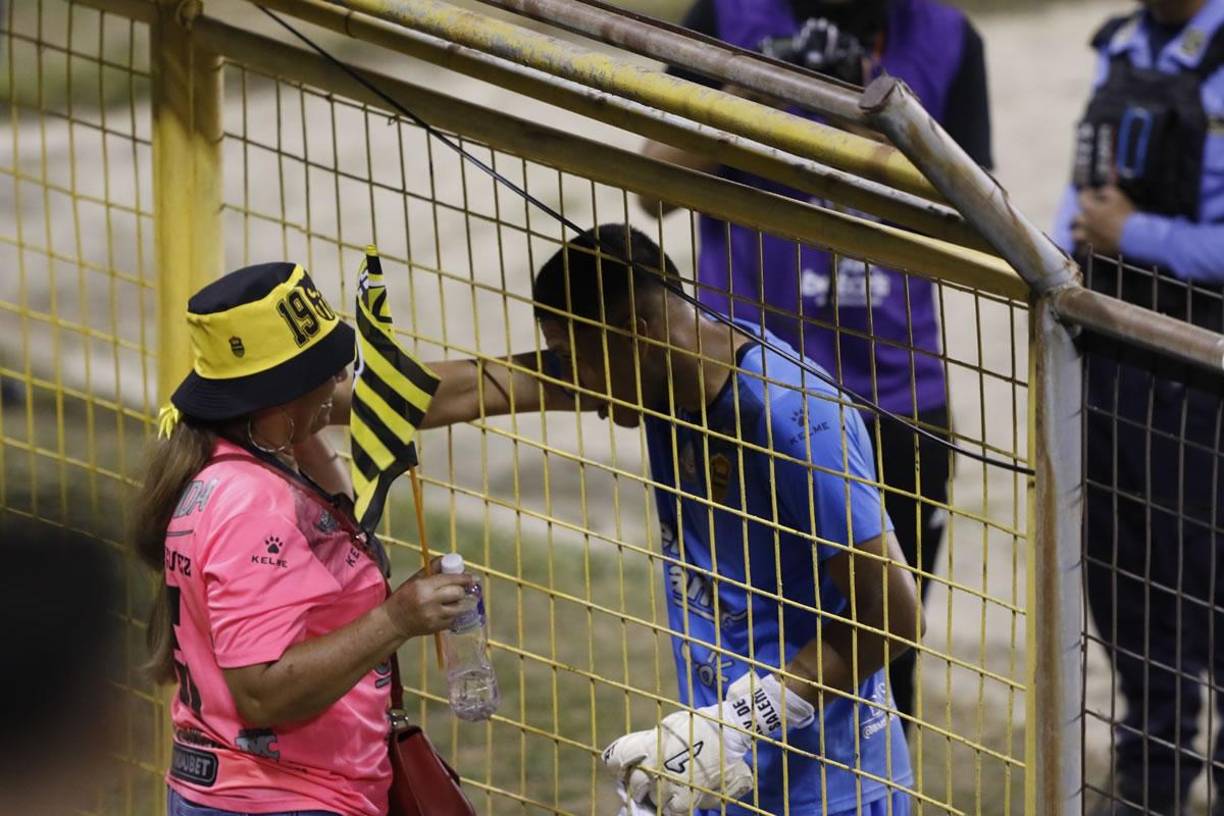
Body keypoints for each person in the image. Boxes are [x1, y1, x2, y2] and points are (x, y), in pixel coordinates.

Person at [433, 225, 923, 815]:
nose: (573, 381)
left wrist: (739, 720)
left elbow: (895, 614)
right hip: (718, 774)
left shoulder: (789, 416)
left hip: (828, 790)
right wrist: (324, 383)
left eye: (573, 358)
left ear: (635, 334)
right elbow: (476, 387)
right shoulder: (657, 377)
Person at [642, 0, 994, 728]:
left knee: (887, 663)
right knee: (740, 641)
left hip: (897, 401)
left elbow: (977, 224)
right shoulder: (726, 16)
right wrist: (759, 93)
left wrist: (885, 128)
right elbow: (651, 185)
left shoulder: (950, 37)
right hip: (744, 394)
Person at [131, 261, 483, 816]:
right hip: (279, 802)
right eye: (330, 368)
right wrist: (398, 619)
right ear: (281, 394)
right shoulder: (252, 502)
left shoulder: (241, 458)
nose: (341, 381)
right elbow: (261, 693)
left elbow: (396, 413)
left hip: (248, 793)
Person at [1052, 1, 1224, 813]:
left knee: (1210, 589)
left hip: (1207, 367)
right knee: (1124, 584)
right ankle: (1150, 781)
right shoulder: (1118, 43)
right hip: (1113, 348)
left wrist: (1135, 233)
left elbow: (1125, 221)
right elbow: (1081, 193)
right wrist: (1053, 259)